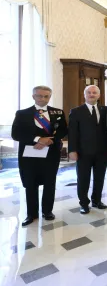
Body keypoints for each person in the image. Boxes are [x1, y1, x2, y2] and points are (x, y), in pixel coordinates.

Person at [11, 86, 68, 226]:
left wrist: (49, 140)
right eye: (39, 95)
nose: (42, 98)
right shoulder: (22, 113)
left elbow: (63, 130)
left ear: (49, 97)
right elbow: (16, 134)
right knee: (30, 183)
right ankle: (31, 214)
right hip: (29, 154)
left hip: (51, 153)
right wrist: (38, 139)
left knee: (50, 182)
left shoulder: (58, 112)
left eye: (46, 96)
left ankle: (47, 211)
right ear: (33, 96)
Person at [68, 85, 107, 214]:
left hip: (102, 151)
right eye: (89, 92)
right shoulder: (76, 111)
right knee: (83, 179)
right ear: (84, 95)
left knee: (100, 177)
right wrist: (72, 150)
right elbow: (72, 133)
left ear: (99, 95)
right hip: (83, 152)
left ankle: (97, 200)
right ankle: (84, 203)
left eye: (94, 92)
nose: (92, 94)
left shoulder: (106, 110)